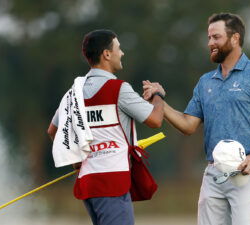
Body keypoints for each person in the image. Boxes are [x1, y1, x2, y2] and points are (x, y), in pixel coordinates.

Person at [143, 13, 250, 225]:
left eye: (216, 37)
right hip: (214, 172)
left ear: (235, 38)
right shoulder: (205, 81)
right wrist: (160, 103)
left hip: (246, 171)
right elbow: (188, 125)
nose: (210, 43)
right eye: (209, 38)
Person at [47, 29, 165, 225]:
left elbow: (53, 131)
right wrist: (159, 95)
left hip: (88, 184)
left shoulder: (72, 93)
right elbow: (155, 120)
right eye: (119, 48)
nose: (122, 53)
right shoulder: (119, 88)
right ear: (107, 54)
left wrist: (76, 158)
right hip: (113, 182)